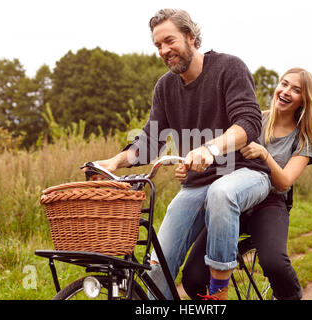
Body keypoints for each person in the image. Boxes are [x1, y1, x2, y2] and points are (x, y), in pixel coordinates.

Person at [85, 8, 271, 299]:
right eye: (158, 45)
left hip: (246, 173)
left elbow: (248, 122)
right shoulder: (165, 87)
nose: (163, 50)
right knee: (157, 271)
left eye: (169, 41)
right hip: (198, 183)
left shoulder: (229, 68)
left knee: (220, 193)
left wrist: (211, 148)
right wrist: (113, 162)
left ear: (191, 36)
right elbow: (149, 142)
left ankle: (218, 293)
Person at [180, 68, 312, 300]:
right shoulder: (254, 120)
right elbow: (223, 158)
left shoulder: (304, 138)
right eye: (284, 84)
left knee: (274, 263)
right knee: (192, 277)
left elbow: (284, 183)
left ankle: (291, 296)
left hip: (269, 203)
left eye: (296, 90)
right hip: (232, 199)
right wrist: (191, 168)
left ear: (304, 100)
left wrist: (264, 155)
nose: (286, 91)